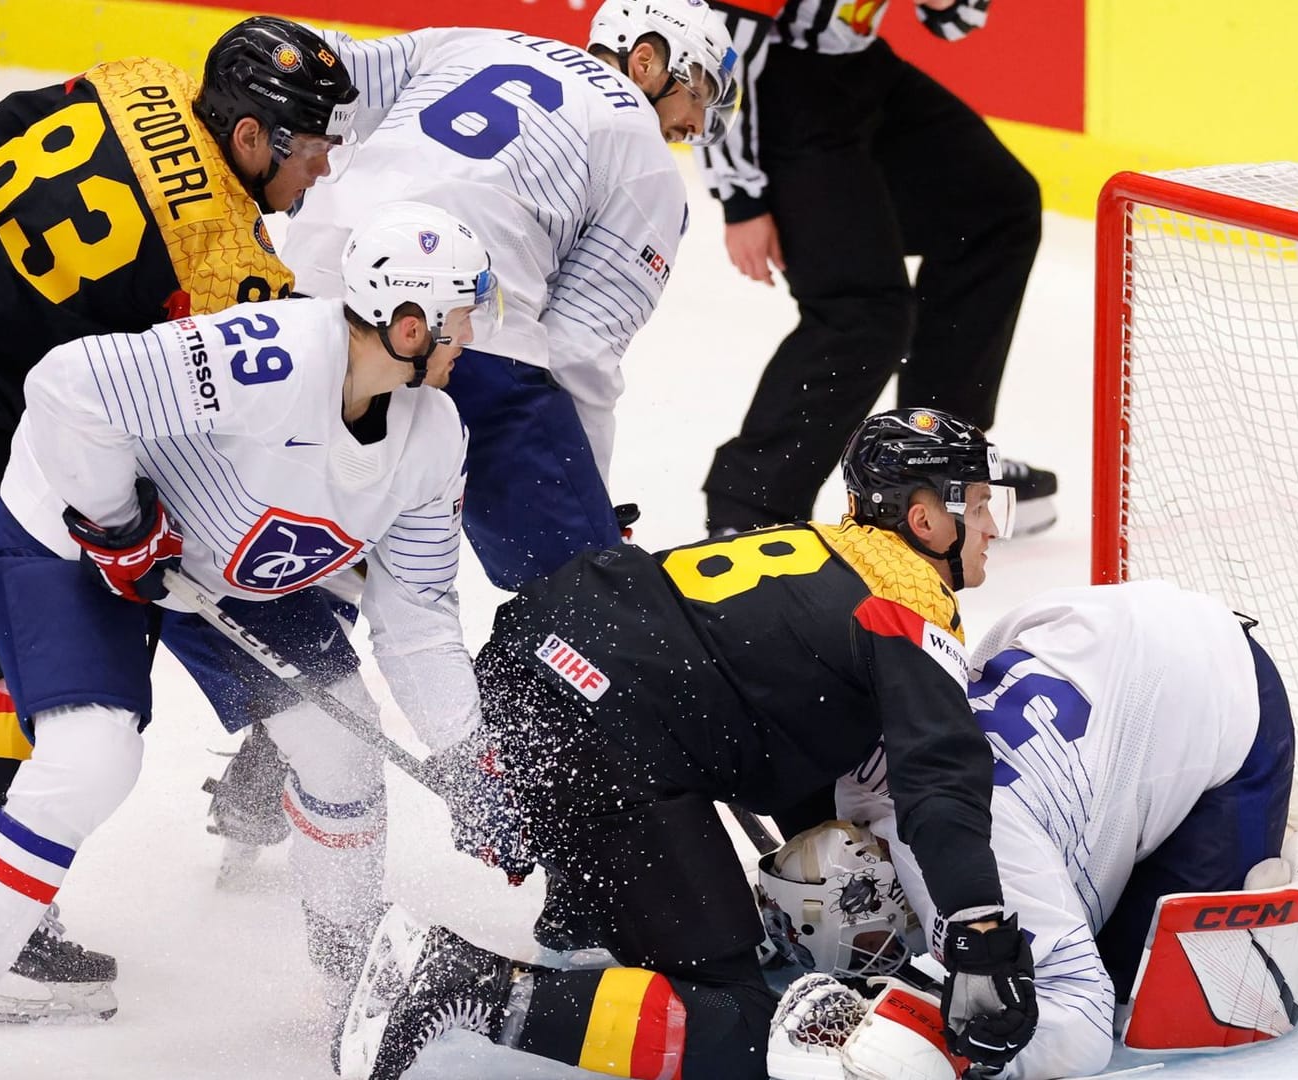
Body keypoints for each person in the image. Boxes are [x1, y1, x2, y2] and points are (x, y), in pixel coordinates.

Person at [0, 13, 358, 1010]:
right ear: (255, 137)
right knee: (2, 645)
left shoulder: (141, 82)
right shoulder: (224, 265)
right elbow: (191, 425)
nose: (320, 174)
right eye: (310, 150)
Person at [0, 201, 518, 1080]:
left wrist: (463, 750)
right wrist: (115, 519)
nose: (469, 337)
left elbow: (415, 614)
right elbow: (70, 386)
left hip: (230, 569)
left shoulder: (432, 436)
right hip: (83, 536)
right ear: (407, 325)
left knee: (340, 753)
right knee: (93, 758)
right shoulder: (274, 356)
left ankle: (347, 998)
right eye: (458, 319)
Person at [335, 407, 1037, 1080]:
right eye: (978, 507)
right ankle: (459, 983)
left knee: (619, 922)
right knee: (737, 1028)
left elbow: (795, 737)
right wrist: (979, 937)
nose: (990, 530)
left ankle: (584, 936)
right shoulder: (906, 600)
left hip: (535, 674)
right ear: (924, 519)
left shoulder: (823, 552)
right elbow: (941, 778)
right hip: (605, 736)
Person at [761, 582, 1298, 1078]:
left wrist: (952, 1052)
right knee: (1054, 931)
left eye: (870, 944)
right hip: (1101, 629)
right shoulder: (855, 779)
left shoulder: (984, 866)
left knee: (1141, 997)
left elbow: (1081, 1026)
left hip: (1222, 682)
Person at [284, 0, 740, 590]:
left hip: (306, 299)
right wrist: (587, 506)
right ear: (647, 61)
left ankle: (299, 676)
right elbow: (581, 353)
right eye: (699, 95)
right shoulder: (646, 159)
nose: (698, 125)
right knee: (584, 594)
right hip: (466, 345)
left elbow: (309, 68)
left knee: (286, 536)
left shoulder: (472, 42)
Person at [696, 0, 1056, 537]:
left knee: (996, 209)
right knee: (864, 309)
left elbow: (957, 22)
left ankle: (935, 465)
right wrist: (741, 197)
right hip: (779, 88)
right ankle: (750, 511)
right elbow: (722, 43)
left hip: (861, 73)